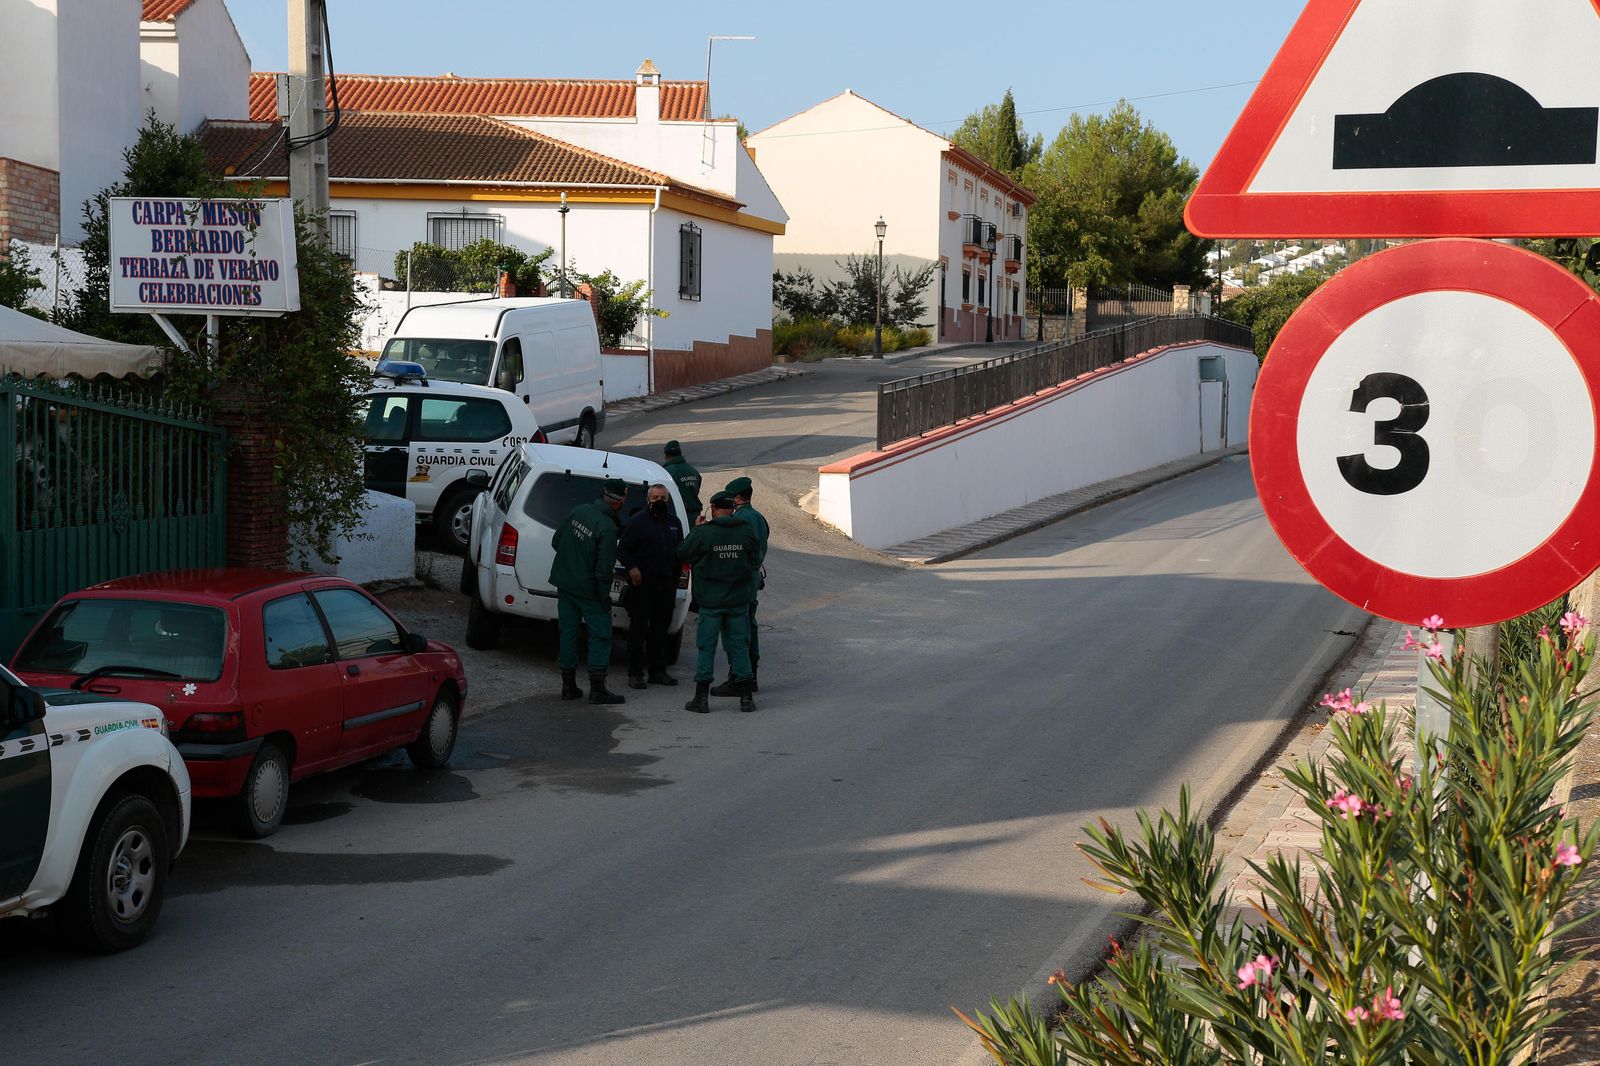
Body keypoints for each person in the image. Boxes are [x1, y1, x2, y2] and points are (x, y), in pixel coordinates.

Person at [675, 491, 760, 713]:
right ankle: (746, 698)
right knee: (740, 647)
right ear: (732, 508)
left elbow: (683, 552)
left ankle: (701, 699)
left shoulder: (704, 533)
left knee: (706, 649)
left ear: (712, 508)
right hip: (737, 601)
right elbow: (755, 560)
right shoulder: (745, 531)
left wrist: (696, 528)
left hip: (711, 603)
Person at [548, 477, 628, 705]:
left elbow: (556, 541)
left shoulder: (579, 510)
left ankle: (568, 686)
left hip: (565, 585)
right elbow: (604, 571)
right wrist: (603, 597)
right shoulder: (608, 528)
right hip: (589, 591)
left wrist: (572, 561)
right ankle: (597, 688)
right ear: (618, 501)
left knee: (568, 633)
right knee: (600, 635)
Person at [617, 482, 685, 689]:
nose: (659, 501)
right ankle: (635, 673)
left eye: (663, 498)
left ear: (668, 500)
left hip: (666, 586)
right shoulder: (637, 522)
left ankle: (657, 671)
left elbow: (680, 551)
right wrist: (632, 568)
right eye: (655, 498)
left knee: (660, 629)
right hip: (642, 585)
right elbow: (623, 550)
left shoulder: (675, 523)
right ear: (648, 500)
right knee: (638, 629)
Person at [713, 475, 770, 695]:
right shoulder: (759, 517)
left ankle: (738, 675)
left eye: (730, 499)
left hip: (739, 580)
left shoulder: (740, 519)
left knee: (735, 628)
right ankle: (750, 675)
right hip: (753, 578)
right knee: (750, 625)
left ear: (737, 497)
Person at [662, 440, 703, 525]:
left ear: (666, 456)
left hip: (676, 517)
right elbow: (696, 491)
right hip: (695, 518)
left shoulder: (666, 473)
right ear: (680, 453)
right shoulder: (693, 471)